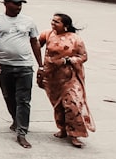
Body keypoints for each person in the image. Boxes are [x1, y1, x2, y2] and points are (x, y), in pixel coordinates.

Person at [0, 0, 43, 149]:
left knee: (23, 100)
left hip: (24, 66)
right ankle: (16, 119)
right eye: (16, 4)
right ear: (6, 4)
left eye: (20, 4)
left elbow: (34, 42)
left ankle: (21, 132)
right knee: (8, 96)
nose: (19, 7)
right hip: (4, 65)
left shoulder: (28, 21)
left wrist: (41, 65)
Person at [38, 14, 94, 148]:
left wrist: (69, 60)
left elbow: (83, 56)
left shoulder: (75, 39)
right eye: (52, 20)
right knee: (58, 105)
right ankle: (62, 129)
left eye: (57, 22)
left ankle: (74, 134)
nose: (53, 23)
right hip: (52, 77)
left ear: (65, 25)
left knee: (72, 104)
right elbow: (35, 45)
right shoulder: (47, 34)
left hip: (70, 77)